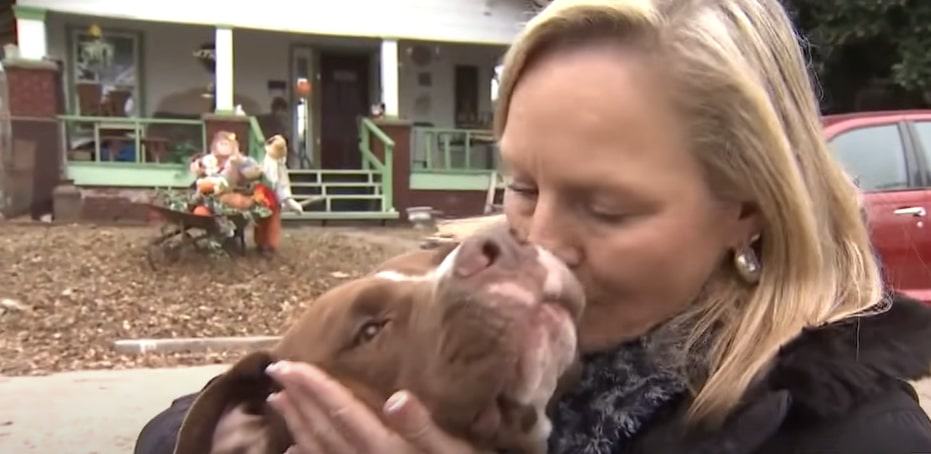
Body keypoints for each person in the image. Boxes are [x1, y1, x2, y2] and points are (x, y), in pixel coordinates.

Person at [135, 0, 931, 453]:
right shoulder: (483, 289)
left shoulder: (859, 437)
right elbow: (175, 432)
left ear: (748, 207)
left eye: (606, 206)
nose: (538, 238)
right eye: (521, 185)